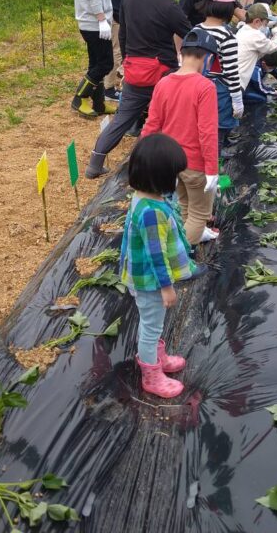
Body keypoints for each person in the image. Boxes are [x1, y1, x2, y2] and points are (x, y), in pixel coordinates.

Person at [84, 0, 195, 178]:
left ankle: (94, 163)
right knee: (166, 120)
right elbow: (191, 35)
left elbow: (123, 33)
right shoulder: (169, 7)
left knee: (123, 118)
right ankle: (156, 164)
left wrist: (128, 59)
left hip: (135, 69)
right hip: (162, 73)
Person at [120, 134, 193, 399]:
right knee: (151, 326)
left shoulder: (144, 197)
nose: (176, 180)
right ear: (159, 176)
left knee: (153, 323)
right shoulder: (151, 212)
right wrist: (166, 287)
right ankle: (151, 375)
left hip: (146, 279)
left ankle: (157, 358)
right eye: (174, 174)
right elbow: (156, 255)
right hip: (150, 281)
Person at [142, 29, 220, 246]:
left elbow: (152, 124)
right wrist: (212, 170)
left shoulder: (163, 83)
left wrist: (142, 157)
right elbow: (207, 131)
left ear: (182, 54)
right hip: (195, 164)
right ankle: (180, 257)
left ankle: (186, 242)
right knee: (199, 215)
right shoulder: (205, 87)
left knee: (185, 206)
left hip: (171, 162)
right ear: (206, 57)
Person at [196, 0, 244, 145]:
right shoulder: (227, 37)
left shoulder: (195, 30)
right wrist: (237, 100)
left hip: (195, 89)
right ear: (229, 9)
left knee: (200, 130)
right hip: (218, 93)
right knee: (216, 133)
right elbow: (231, 72)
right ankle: (214, 166)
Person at [236, 4, 277, 103]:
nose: (265, 27)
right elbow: (273, 47)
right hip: (238, 84)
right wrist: (276, 31)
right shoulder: (255, 35)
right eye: (265, 23)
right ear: (257, 21)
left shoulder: (242, 30)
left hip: (232, 79)